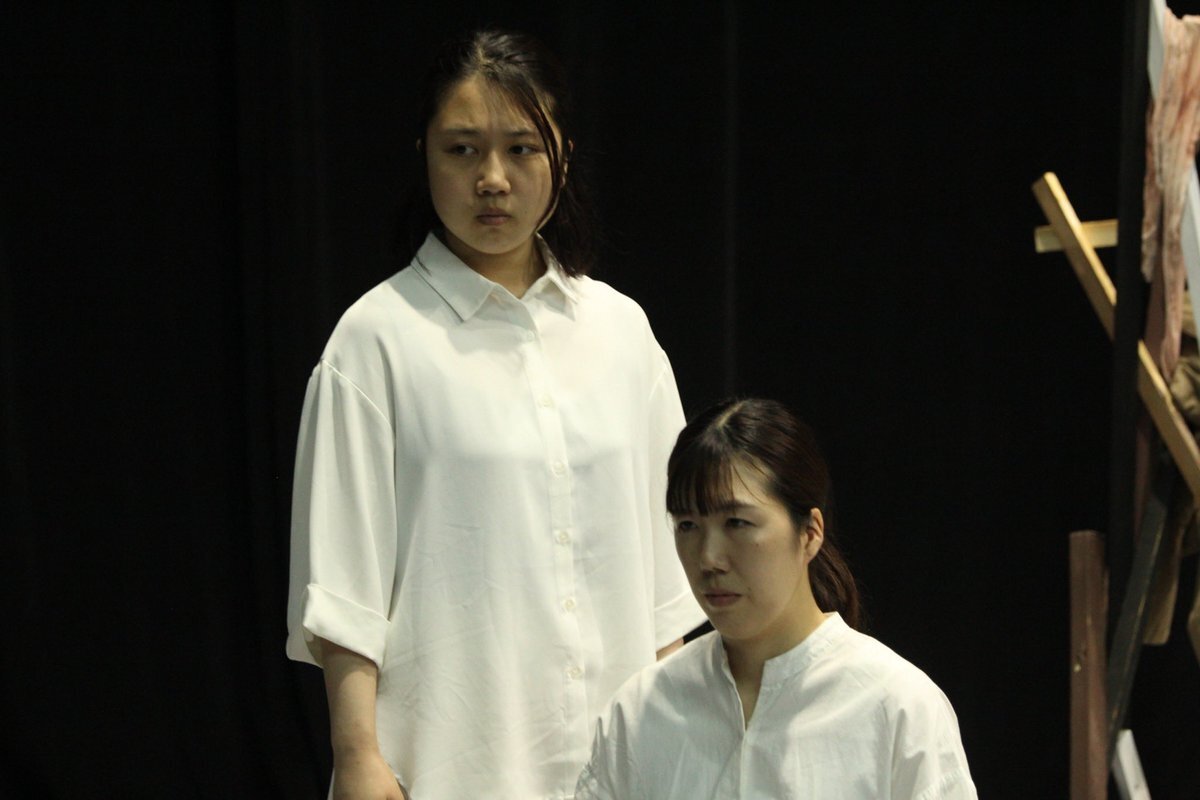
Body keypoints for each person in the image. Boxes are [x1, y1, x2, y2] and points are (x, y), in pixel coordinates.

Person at [285, 28, 704, 800]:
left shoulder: (621, 333)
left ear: (563, 156)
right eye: (463, 150)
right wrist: (357, 755)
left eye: (521, 149)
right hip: (451, 766)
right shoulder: (375, 340)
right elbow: (342, 586)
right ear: (423, 154)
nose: (493, 179)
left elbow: (665, 586)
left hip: (624, 766)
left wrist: (679, 753)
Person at [576, 398, 978, 799]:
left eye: (737, 522)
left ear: (810, 532)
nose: (709, 558)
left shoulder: (897, 707)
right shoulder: (641, 711)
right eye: (687, 525)